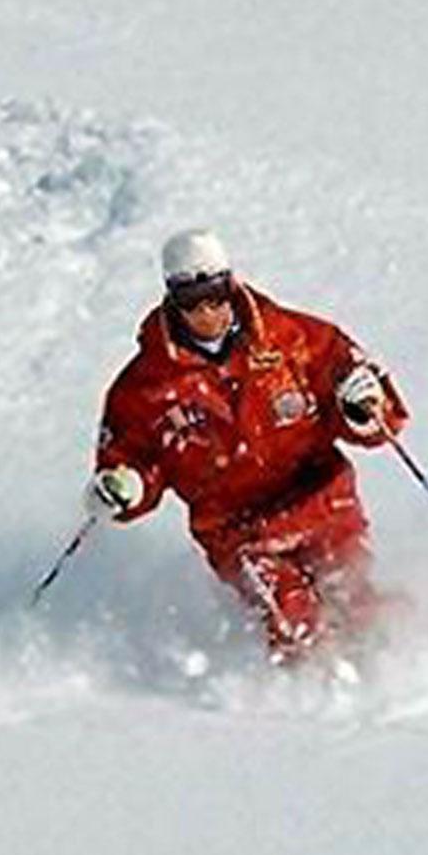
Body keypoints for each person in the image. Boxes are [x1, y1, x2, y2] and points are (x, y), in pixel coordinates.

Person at [87, 229, 407, 665]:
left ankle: (416, 661)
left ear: (231, 285)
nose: (207, 311)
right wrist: (123, 486)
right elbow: (131, 465)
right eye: (191, 301)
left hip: (321, 500)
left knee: (353, 598)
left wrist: (364, 404)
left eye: (215, 295)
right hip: (239, 531)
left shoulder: (294, 339)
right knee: (293, 617)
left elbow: (373, 414)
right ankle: (313, 704)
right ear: (172, 301)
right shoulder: (145, 388)